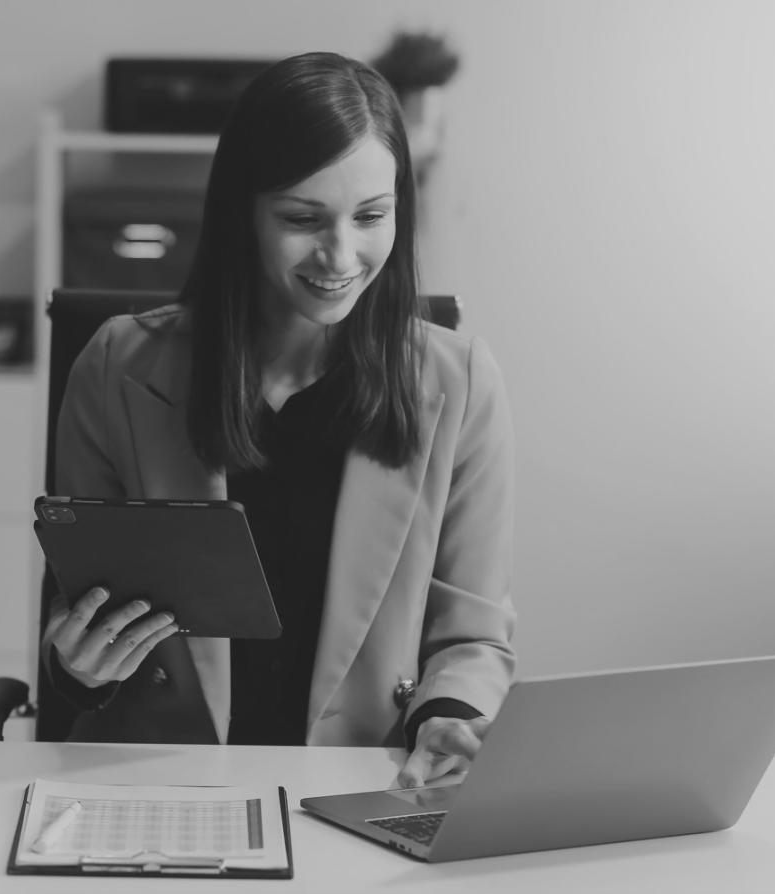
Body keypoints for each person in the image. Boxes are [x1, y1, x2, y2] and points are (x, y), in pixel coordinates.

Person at [41, 51, 516, 788]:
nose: (341, 255)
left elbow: (473, 633)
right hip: (155, 783)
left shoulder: (460, 383)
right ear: (243, 213)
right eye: (302, 218)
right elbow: (76, 609)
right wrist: (78, 665)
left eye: (371, 217)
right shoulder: (118, 367)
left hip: (364, 781)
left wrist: (447, 715)